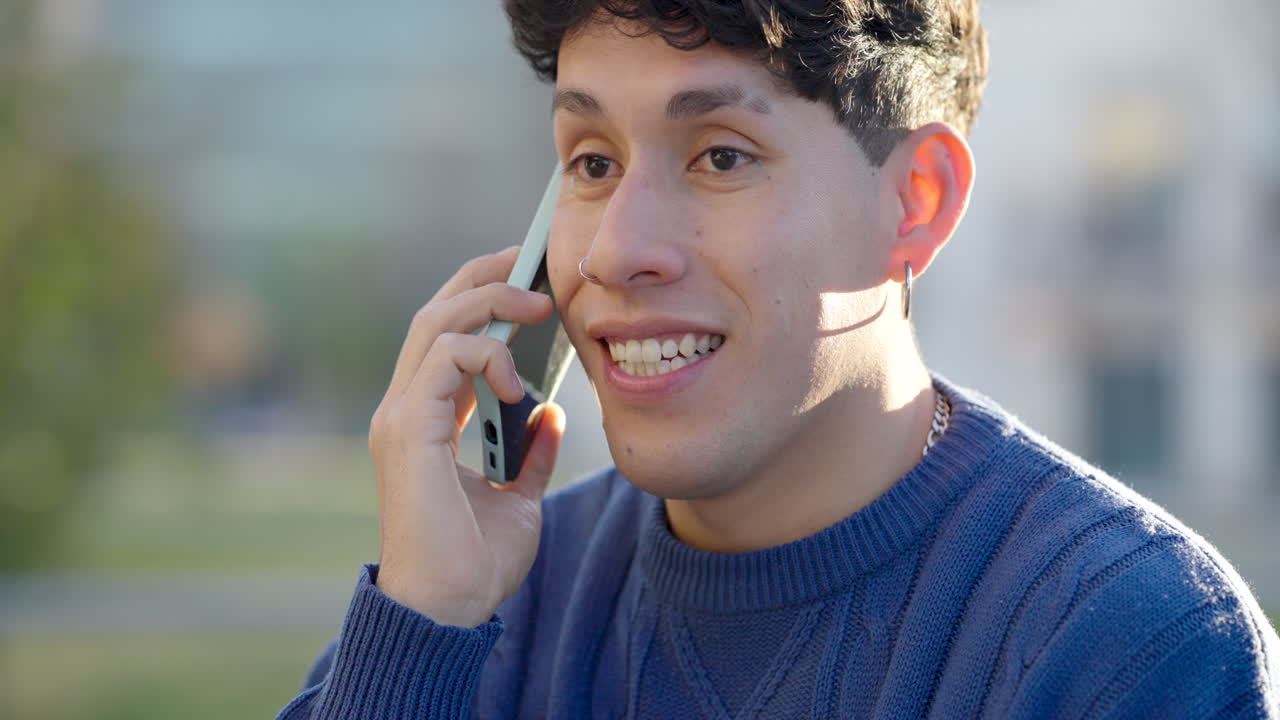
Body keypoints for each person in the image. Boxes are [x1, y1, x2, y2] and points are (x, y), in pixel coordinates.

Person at [276, 1, 1279, 717]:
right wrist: (421, 627)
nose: (618, 250)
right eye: (591, 161)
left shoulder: (1126, 642)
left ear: (914, 201)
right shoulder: (480, 599)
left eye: (720, 156)